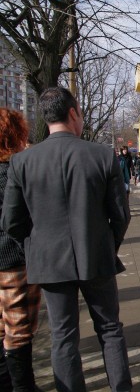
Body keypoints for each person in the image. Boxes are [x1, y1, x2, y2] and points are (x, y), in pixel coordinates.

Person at [1, 87, 132, 392]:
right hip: (97, 257)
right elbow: (121, 215)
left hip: (49, 262)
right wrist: (107, 246)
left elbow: (11, 222)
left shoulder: (22, 162)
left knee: (63, 337)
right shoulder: (101, 154)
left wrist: (35, 249)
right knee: (110, 330)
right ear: (73, 113)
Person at [0, 108, 42, 391]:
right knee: (18, 328)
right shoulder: (14, 171)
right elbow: (22, 218)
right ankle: (22, 387)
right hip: (13, 259)